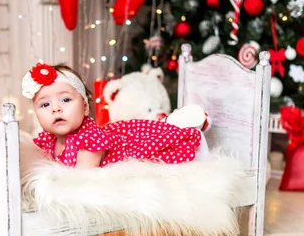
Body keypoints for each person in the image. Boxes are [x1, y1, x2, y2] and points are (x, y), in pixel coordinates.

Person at [22, 62, 209, 168]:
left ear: (86, 108)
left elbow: (80, 179)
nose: (56, 109)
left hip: (122, 145)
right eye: (45, 104)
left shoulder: (88, 141)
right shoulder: (48, 140)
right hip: (112, 131)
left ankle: (181, 126)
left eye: (65, 100)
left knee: (153, 141)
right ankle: (170, 122)